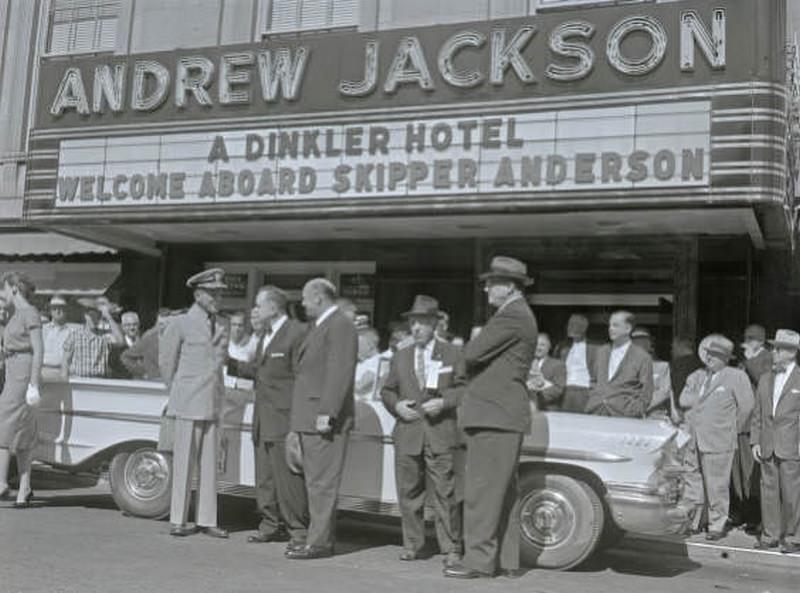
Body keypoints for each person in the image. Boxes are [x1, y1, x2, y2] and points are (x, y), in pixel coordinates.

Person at [444, 256, 537, 579]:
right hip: (503, 415)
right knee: (501, 492)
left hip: (493, 415)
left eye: (491, 282)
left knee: (482, 493)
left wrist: (458, 348)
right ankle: (506, 560)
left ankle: (478, 561)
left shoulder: (509, 316)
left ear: (508, 286)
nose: (485, 288)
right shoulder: (519, 315)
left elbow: (471, 353)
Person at [380, 295, 466, 566]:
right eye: (412, 323)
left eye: (421, 323)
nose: (415, 328)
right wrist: (397, 406)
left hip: (440, 433)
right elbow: (386, 390)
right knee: (409, 494)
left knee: (445, 494)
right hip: (408, 432)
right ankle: (413, 545)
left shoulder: (452, 353)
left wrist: (444, 401)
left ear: (434, 324)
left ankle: (451, 548)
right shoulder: (401, 356)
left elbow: (465, 388)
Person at [228, 286, 309, 550]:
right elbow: (258, 372)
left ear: (274, 307)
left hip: (283, 420)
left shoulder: (296, 333)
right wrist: (227, 361)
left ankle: (298, 531)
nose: (256, 310)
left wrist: (297, 423)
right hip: (263, 419)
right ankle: (270, 525)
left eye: (259, 305)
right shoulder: (267, 335)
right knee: (264, 477)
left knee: (287, 479)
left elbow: (301, 379)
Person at [286, 278, 358, 559]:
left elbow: (339, 371)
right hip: (309, 417)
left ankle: (319, 543)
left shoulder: (339, 325)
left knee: (322, 484)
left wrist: (327, 412)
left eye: (305, 298)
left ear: (318, 297)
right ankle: (315, 538)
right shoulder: (321, 326)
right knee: (315, 482)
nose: (302, 304)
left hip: (322, 418)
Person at [159, 268, 230, 539]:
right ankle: (178, 518)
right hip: (188, 401)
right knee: (184, 463)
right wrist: (176, 392)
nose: (218, 298)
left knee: (210, 465)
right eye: (213, 293)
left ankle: (207, 519)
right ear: (198, 294)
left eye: (220, 293)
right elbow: (167, 362)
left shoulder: (222, 324)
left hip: (212, 401)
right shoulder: (180, 323)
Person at [679, 336, 754, 540]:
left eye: (716, 355)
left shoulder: (736, 376)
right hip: (694, 438)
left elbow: (747, 408)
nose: (710, 358)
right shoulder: (699, 376)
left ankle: (716, 524)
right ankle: (695, 521)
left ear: (726, 358)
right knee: (693, 481)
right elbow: (685, 400)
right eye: (709, 354)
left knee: (716, 485)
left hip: (719, 440)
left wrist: (731, 430)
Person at [750, 329, 800, 553]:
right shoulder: (765, 378)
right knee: (768, 491)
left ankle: (793, 537)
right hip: (767, 445)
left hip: (792, 446)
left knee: (792, 494)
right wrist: (755, 441)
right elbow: (758, 414)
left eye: (779, 349)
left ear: (792, 352)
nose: (774, 352)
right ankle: (770, 535)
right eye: (774, 348)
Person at [0, 272, 43, 507]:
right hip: (13, 369)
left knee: (3, 420)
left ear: (14, 288)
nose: (2, 294)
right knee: (22, 430)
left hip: (23, 372)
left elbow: (38, 350)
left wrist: (34, 383)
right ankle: (24, 487)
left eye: (4, 289)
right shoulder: (15, 315)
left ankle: (1, 482)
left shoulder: (29, 313)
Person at [732, 324, 771, 532]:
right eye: (746, 338)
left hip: (753, 425)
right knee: (737, 473)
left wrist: (749, 360)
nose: (746, 342)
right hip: (739, 422)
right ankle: (742, 512)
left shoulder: (768, 357)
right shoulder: (748, 359)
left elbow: (765, 382)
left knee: (750, 475)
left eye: (750, 338)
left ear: (759, 341)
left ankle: (754, 517)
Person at [585, 311, 653, 418]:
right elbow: (593, 380)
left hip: (624, 416)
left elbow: (646, 392)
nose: (610, 328)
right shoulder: (601, 351)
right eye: (610, 325)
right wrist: (594, 398)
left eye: (615, 325)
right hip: (596, 411)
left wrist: (633, 411)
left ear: (628, 329)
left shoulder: (642, 357)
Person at [60, 297, 124, 379]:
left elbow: (121, 341)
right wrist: (65, 382)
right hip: (78, 380)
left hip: (98, 381)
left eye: (97, 317)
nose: (94, 319)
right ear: (85, 315)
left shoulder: (104, 336)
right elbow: (65, 361)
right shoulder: (74, 336)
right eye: (91, 316)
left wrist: (108, 316)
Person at [558, 314, 597, 413]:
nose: (569, 327)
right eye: (569, 324)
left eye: (574, 325)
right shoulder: (563, 347)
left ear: (584, 328)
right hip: (566, 390)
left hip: (583, 390)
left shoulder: (594, 348)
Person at [631, 326, 672, 418]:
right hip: (632, 416)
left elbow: (665, 392)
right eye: (636, 342)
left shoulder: (663, 366)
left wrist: (643, 406)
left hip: (655, 416)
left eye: (643, 341)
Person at [120, 308, 171, 381]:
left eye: (168, 324)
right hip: (153, 382)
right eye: (161, 324)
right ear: (157, 324)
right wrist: (143, 372)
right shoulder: (149, 340)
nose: (164, 327)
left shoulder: (177, 341)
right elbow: (125, 357)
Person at [526, 333, 566, 411]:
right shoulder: (524, 364)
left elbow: (558, 389)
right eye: (536, 344)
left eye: (542, 345)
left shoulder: (558, 365)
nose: (538, 348)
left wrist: (539, 390)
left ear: (549, 347)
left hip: (547, 409)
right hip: (524, 408)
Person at [41, 294, 78, 378]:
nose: (58, 311)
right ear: (50, 311)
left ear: (66, 310)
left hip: (63, 372)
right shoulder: (42, 330)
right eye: (54, 308)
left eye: (61, 308)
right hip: (43, 371)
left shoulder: (72, 332)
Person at [669, 336, 703, 425]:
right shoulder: (702, 364)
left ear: (680, 347)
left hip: (682, 413)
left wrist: (676, 409)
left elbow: (676, 387)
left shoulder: (677, 365)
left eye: (673, 348)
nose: (671, 351)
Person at [110, 311, 141, 378]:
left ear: (139, 325)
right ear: (122, 327)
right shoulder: (116, 348)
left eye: (134, 324)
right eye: (128, 325)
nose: (132, 328)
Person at [355, 328, 383, 401]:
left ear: (369, 345)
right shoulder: (364, 363)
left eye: (357, 344)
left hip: (364, 407)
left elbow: (360, 385)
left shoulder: (378, 361)